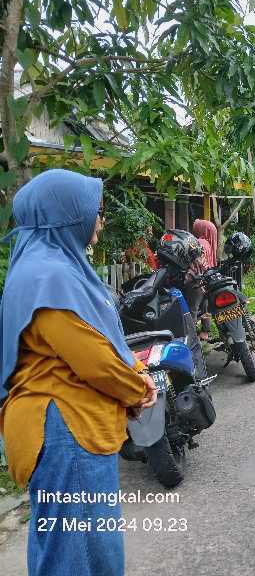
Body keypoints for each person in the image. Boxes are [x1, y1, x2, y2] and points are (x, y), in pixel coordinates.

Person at [0, 169, 157, 576]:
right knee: (80, 555)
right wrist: (137, 387)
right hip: (66, 430)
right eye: (95, 211)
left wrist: (133, 376)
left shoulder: (48, 266)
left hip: (63, 428)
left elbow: (102, 340)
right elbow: (93, 359)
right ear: (65, 215)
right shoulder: (49, 275)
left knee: (65, 548)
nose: (100, 221)